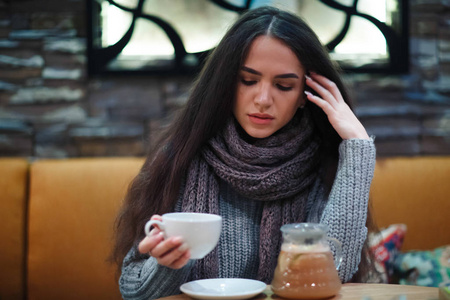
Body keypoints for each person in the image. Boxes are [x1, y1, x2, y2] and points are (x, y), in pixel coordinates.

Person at [111, 6, 380, 300]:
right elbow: (132, 291)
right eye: (248, 80)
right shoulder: (182, 155)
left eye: (284, 85)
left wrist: (357, 146)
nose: (263, 99)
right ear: (226, 83)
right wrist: (166, 264)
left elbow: (332, 273)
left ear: (305, 95)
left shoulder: (322, 164)